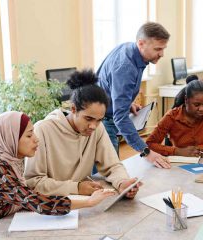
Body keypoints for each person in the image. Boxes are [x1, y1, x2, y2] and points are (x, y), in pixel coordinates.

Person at [0, 111, 115, 236]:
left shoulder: (11, 158)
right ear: (10, 139)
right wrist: (89, 202)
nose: (36, 139)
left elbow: (25, 196)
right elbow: (36, 201)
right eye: (29, 135)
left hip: (5, 223)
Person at [24, 69, 141, 198]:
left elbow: (112, 165)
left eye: (99, 120)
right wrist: (76, 187)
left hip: (82, 202)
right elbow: (33, 182)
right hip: (51, 205)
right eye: (88, 119)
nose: (93, 126)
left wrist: (122, 182)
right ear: (73, 109)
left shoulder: (97, 128)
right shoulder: (42, 130)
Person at [97, 22, 171, 169]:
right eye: (158, 49)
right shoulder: (125, 67)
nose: (162, 54)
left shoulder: (131, 50)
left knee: (109, 172)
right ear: (141, 43)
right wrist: (146, 152)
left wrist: (126, 104)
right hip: (101, 121)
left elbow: (110, 84)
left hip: (105, 113)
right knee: (108, 172)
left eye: (163, 49)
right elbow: (120, 117)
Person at [146, 79, 203, 156]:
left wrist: (199, 149)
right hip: (179, 162)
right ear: (186, 100)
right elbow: (150, 144)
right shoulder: (171, 116)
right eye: (196, 105)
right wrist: (177, 151)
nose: (202, 109)